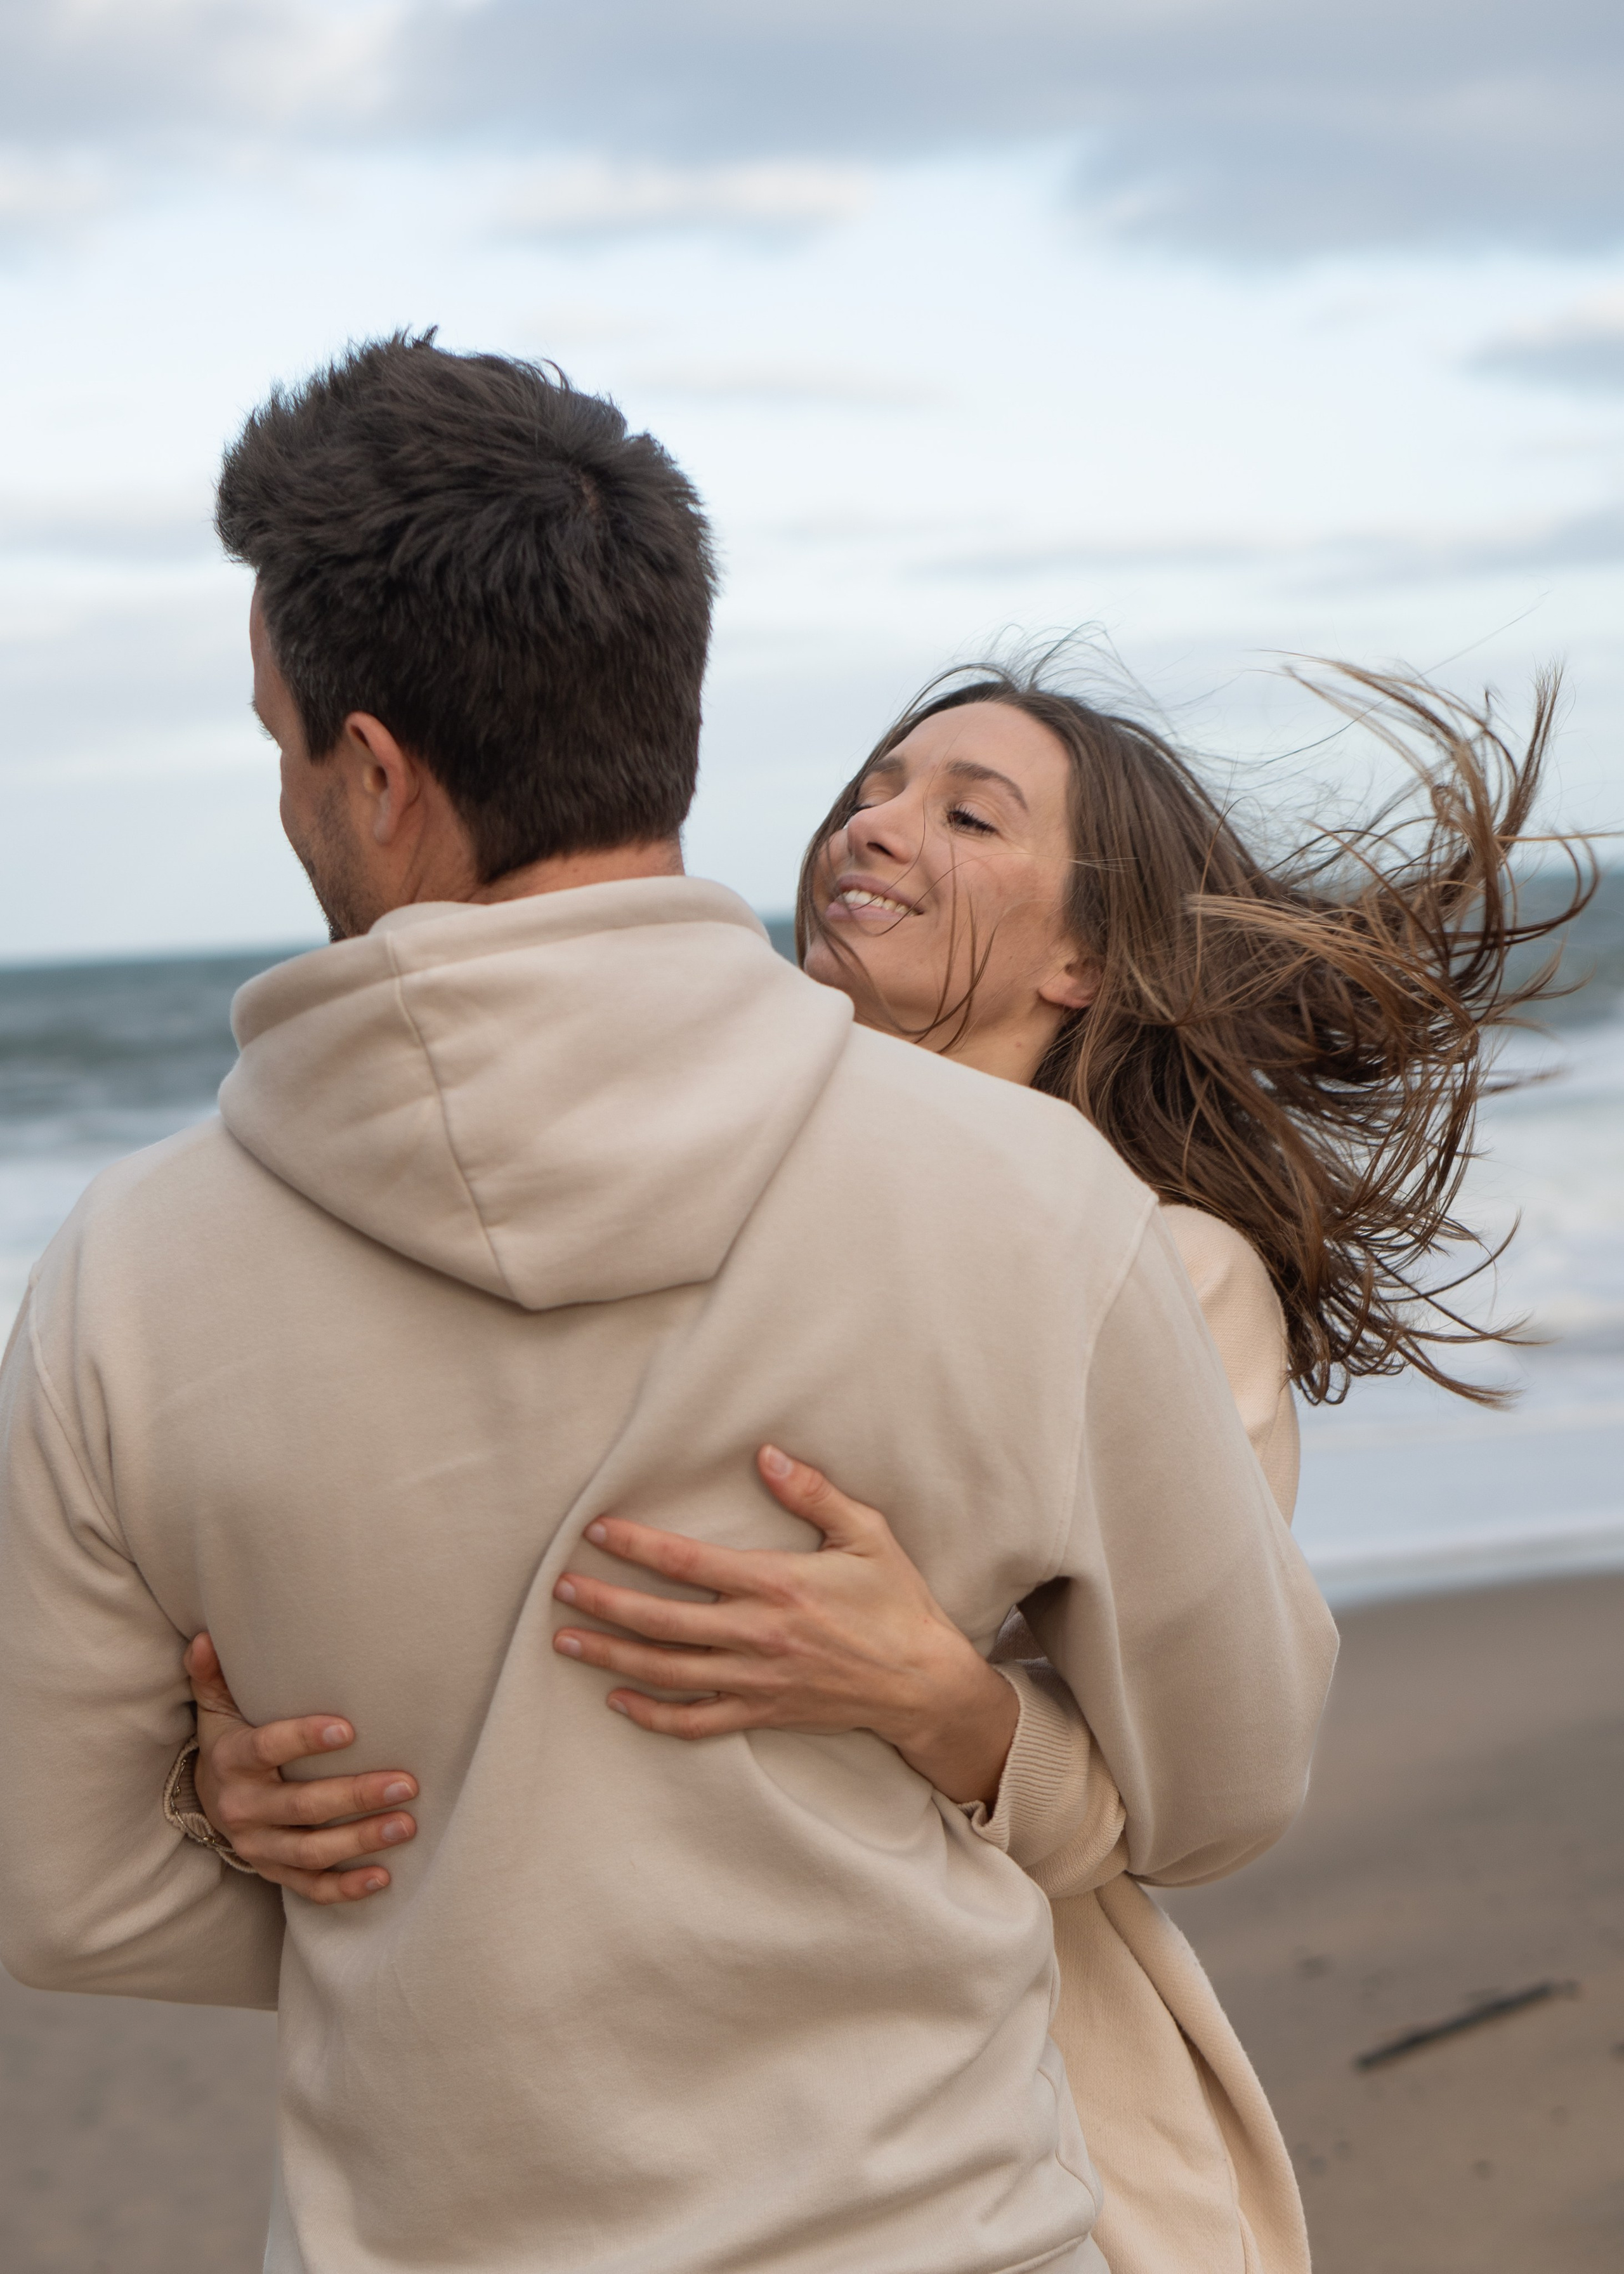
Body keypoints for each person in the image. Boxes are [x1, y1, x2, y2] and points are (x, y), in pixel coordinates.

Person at [0, 335, 1337, 2274]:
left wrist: (363, 1868)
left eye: (281, 739)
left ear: (371, 774)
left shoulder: (125, 1272)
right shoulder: (1034, 1218)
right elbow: (1229, 1780)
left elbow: (65, 1895)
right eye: (890, 788)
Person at [172, 646, 1586, 2266]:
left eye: (967, 816)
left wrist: (944, 1702)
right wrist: (226, 1789)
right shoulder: (672, 1210)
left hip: (1013, 2134)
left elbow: (1195, 1799)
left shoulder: (1155, 1267)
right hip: (594, 2134)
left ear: (1081, 960)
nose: (877, 825)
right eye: (871, 788)